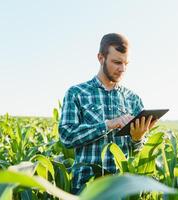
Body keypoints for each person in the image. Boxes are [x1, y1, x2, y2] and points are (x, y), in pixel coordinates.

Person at [58, 33, 157, 194]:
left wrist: (138, 138)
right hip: (87, 188)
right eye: (117, 62)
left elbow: (138, 152)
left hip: (123, 190)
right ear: (100, 58)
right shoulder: (76, 93)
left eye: (126, 63)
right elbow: (66, 136)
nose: (122, 69)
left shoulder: (133, 99)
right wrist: (107, 125)